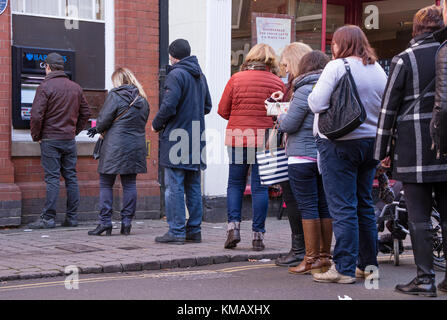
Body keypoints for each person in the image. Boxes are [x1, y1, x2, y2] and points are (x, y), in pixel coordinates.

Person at [376, 5, 447, 297]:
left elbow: (388, 108)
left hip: (414, 145)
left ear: (415, 29)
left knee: (417, 216)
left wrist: (379, 152)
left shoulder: (405, 59)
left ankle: (425, 280)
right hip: (444, 145)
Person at [308, 25, 387, 284]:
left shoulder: (337, 66)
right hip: (370, 144)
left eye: (334, 43)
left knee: (343, 206)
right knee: (364, 203)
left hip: (339, 144)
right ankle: (368, 265)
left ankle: (343, 268)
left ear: (340, 45)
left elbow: (317, 103)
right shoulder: (377, 69)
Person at [218, 43, 286, 251]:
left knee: (235, 183)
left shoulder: (236, 79)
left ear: (250, 58)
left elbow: (222, 110)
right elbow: (280, 115)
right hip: (266, 140)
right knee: (260, 187)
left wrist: (239, 118)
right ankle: (258, 236)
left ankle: (233, 229)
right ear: (270, 61)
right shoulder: (277, 83)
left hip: (239, 137)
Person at [276, 50, 332, 275]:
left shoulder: (304, 90)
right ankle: (325, 257)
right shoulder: (330, 86)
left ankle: (309, 259)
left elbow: (289, 124)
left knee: (307, 206)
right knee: (324, 205)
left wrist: (279, 116)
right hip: (324, 155)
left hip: (302, 157)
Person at [152, 39, 212, 245]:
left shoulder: (175, 74)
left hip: (177, 136)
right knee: (193, 184)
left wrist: (156, 124)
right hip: (196, 135)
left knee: (174, 185)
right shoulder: (199, 75)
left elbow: (169, 106)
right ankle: (194, 230)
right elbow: (207, 106)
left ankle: (176, 231)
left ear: (173, 56)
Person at [29, 53, 91, 229]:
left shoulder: (45, 87)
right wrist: (74, 130)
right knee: (71, 177)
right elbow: (86, 113)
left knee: (52, 179)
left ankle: (48, 219)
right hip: (68, 140)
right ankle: (72, 218)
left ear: (48, 67)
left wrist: (37, 136)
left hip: (50, 139)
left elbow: (36, 116)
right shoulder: (76, 87)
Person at [87, 68, 150, 236]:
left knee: (106, 183)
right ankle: (127, 223)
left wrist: (97, 128)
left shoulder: (115, 95)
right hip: (135, 147)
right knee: (129, 184)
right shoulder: (143, 100)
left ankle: (105, 223)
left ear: (118, 81)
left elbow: (104, 119)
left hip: (114, 146)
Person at [273, 42, 312, 267]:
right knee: (310, 204)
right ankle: (309, 251)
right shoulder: (306, 85)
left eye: (286, 65)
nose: (285, 70)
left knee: (296, 202)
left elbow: (291, 122)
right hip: (311, 152)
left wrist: (278, 114)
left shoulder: (301, 86)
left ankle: (301, 251)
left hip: (299, 152)